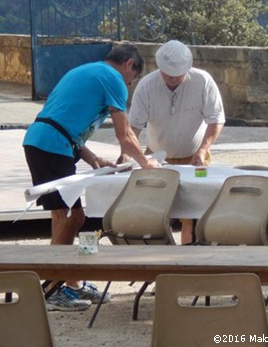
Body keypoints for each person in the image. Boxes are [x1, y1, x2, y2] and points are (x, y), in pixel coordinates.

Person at [23, 43, 160, 311]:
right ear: (129, 65)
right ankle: (51, 289)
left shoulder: (86, 71)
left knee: (65, 215)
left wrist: (93, 159)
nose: (128, 86)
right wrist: (146, 163)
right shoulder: (114, 79)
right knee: (71, 217)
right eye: (132, 81)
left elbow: (62, 121)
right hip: (51, 146)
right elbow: (126, 136)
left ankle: (72, 283)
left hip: (44, 141)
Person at [122, 40, 225, 244]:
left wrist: (204, 149)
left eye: (178, 75)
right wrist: (128, 154)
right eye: (169, 75)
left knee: (194, 215)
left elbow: (216, 119)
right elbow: (133, 128)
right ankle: (161, 259)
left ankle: (189, 261)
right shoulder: (147, 85)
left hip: (195, 156)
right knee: (156, 214)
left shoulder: (203, 81)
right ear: (160, 68)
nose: (174, 79)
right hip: (157, 159)